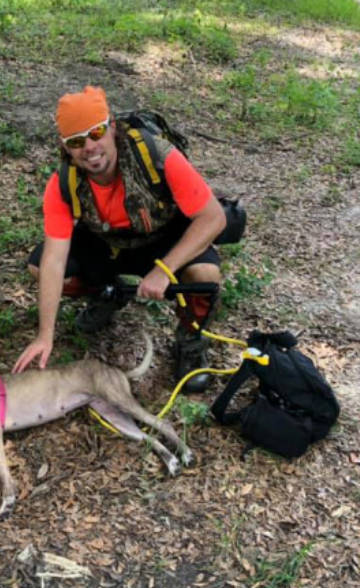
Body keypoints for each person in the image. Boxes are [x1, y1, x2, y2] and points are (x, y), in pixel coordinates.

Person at [12, 85, 227, 393]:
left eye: (96, 133)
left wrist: (164, 270)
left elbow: (213, 217)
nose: (89, 147)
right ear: (66, 147)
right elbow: (54, 259)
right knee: (40, 267)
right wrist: (44, 335)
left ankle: (190, 341)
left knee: (205, 276)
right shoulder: (63, 183)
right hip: (106, 243)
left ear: (113, 128)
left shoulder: (157, 156)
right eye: (76, 141)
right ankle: (106, 295)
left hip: (163, 236)